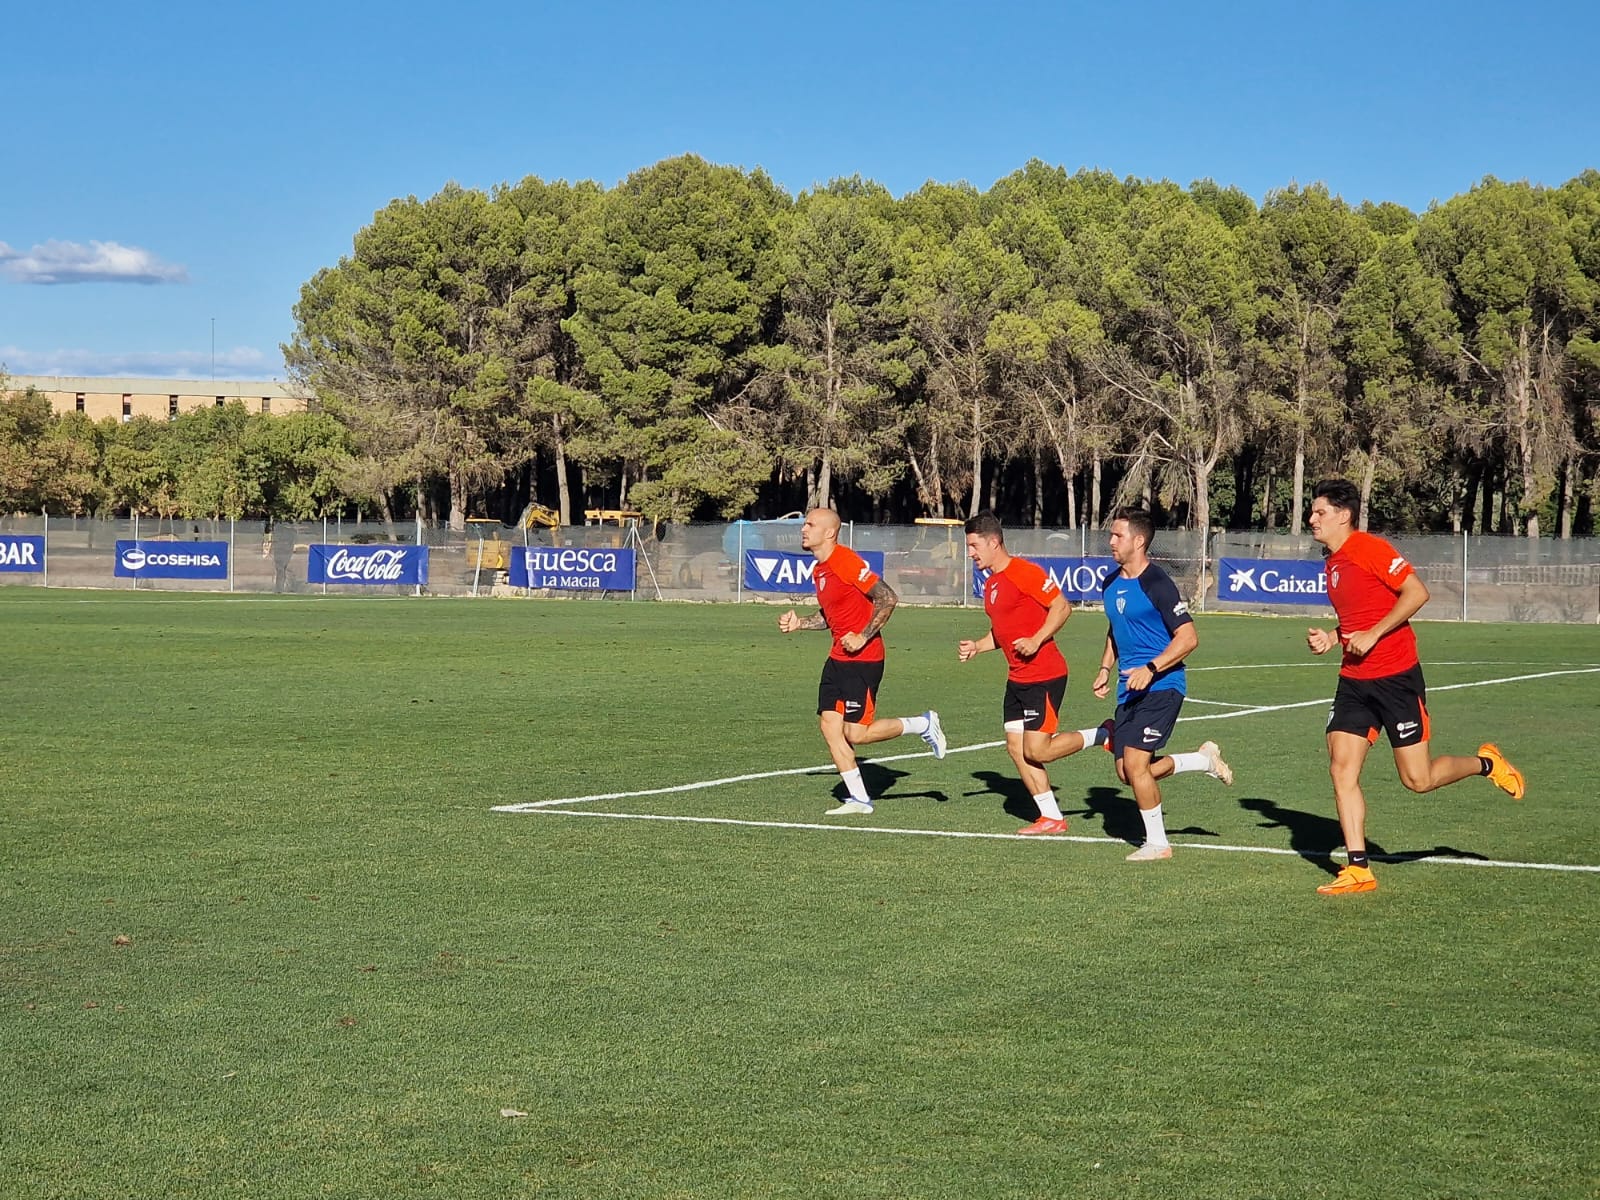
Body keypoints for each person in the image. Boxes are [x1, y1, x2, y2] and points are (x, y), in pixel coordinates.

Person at [1305, 478, 1524, 896]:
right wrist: (1334, 637)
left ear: (1344, 515)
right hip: (1353, 681)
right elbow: (1359, 616)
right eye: (1312, 512)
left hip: (1396, 679)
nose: (1312, 518)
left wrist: (1375, 632)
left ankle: (1487, 764)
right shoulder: (1331, 561)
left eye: (1320, 512)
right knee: (1341, 768)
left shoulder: (1369, 548)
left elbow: (1416, 592)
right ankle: (1358, 869)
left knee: (1417, 780)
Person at [778, 508, 946, 816]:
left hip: (864, 659)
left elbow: (888, 598)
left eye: (810, 524)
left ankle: (923, 723)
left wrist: (863, 636)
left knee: (856, 733)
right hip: (837, 659)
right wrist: (799, 624)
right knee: (830, 727)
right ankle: (859, 800)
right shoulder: (820, 570)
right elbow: (830, 617)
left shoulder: (845, 560)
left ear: (829, 532)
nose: (803, 529)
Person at [1092, 508, 1233, 862]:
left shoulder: (1157, 584)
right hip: (1130, 690)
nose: (1111, 542)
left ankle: (1158, 843)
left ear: (1138, 541)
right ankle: (1202, 761)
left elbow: (1188, 637)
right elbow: (1115, 628)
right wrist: (1105, 668)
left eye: (1118, 536)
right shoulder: (1110, 584)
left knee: (1137, 765)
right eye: (1111, 535)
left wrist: (1151, 668)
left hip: (1164, 684)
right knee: (1128, 773)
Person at [958, 510, 1111, 835]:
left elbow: (1062, 606)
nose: (970, 553)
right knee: (1016, 748)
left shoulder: (1024, 572)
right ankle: (1052, 817)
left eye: (973, 545)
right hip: (1017, 678)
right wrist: (978, 646)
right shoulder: (992, 584)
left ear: (994, 542)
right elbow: (1003, 632)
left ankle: (1102, 734)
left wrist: (1038, 638)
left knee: (1037, 750)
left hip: (1045, 673)